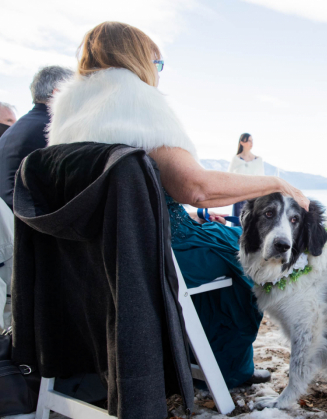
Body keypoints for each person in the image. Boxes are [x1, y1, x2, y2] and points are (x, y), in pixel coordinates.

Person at [47, 21, 309, 388]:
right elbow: (196, 187)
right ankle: (226, 369)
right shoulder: (137, 101)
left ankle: (181, 358)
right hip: (148, 258)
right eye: (158, 63)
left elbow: (124, 200)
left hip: (86, 259)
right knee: (242, 257)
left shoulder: (69, 115)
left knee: (220, 234)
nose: (158, 73)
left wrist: (189, 210)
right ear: (137, 60)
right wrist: (276, 183)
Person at [0, 67, 73, 210]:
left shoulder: (16, 129)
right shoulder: (53, 129)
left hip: (10, 222)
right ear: (58, 93)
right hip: (30, 223)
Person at [228, 133, 264, 226]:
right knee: (238, 223)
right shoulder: (236, 159)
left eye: (252, 141)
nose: (251, 143)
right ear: (242, 142)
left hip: (254, 196)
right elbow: (229, 177)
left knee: (252, 223)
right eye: (248, 140)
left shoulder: (258, 160)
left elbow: (262, 179)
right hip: (239, 196)